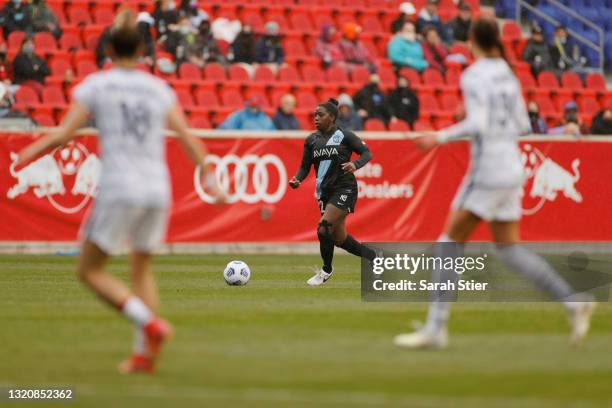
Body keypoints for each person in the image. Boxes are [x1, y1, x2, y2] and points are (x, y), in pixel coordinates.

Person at [14, 10, 224, 374]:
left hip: (120, 186)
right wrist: (208, 172)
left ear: (108, 48)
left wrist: (28, 153)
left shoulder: (97, 86)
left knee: (89, 270)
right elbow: (188, 137)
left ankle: (149, 324)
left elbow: (64, 134)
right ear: (143, 50)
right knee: (142, 270)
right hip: (157, 187)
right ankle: (145, 354)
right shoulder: (158, 88)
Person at [395, 17, 594, 350]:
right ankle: (573, 300)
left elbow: (480, 122)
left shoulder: (475, 74)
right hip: (512, 165)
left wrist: (440, 136)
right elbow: (520, 124)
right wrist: (474, 120)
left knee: (448, 242)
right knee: (509, 249)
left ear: (472, 40)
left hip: (487, 168)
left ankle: (436, 328)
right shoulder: (508, 71)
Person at [288, 98, 379, 286]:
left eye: (320, 115)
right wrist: (297, 179)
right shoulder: (311, 140)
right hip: (324, 193)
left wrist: (355, 164)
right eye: (315, 115)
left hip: (345, 188)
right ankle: (374, 257)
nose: (316, 118)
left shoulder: (345, 136)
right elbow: (305, 167)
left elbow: (367, 153)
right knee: (339, 239)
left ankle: (326, 270)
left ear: (332, 117)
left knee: (324, 227)